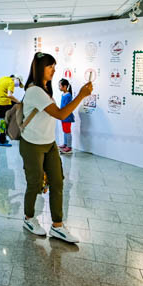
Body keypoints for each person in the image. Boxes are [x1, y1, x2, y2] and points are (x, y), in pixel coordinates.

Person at [19, 52, 92, 243]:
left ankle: (57, 226)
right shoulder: (34, 90)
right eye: (50, 66)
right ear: (39, 68)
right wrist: (81, 95)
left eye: (54, 66)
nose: (53, 70)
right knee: (34, 184)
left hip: (49, 143)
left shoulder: (44, 89)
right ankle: (28, 218)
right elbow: (60, 114)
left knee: (58, 183)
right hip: (32, 144)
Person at [0, 74, 22, 147]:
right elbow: (9, 95)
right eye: (19, 83)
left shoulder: (2, 78)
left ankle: (3, 139)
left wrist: (1, 92)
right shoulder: (11, 82)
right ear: (16, 79)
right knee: (3, 122)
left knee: (3, 120)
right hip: (2, 104)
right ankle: (2, 141)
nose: (18, 85)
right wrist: (18, 101)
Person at [58, 79, 75, 154]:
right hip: (63, 116)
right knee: (65, 130)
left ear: (65, 86)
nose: (59, 87)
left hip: (67, 116)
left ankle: (69, 147)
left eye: (60, 86)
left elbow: (68, 107)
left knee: (67, 131)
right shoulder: (63, 94)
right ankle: (65, 144)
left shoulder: (68, 95)